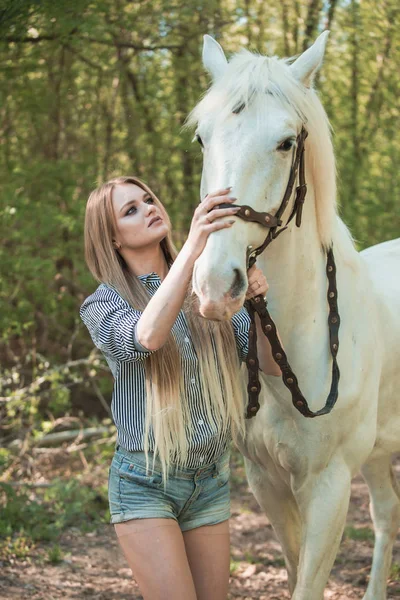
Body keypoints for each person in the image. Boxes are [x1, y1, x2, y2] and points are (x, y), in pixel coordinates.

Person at [80, 176, 281, 600]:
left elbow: (267, 366)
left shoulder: (207, 285)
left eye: (148, 199)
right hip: (145, 483)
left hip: (210, 482)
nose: (149, 207)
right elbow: (147, 338)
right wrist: (193, 247)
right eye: (130, 210)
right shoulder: (103, 302)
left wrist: (261, 305)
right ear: (112, 238)